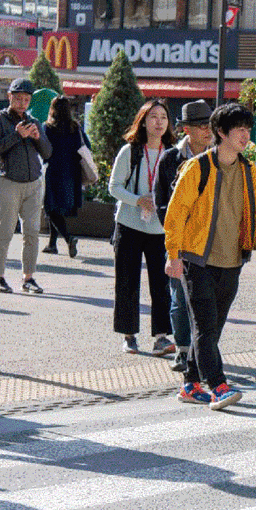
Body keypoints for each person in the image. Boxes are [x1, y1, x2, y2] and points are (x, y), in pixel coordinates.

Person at [164, 102, 256, 410]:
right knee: (205, 325)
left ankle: (190, 384)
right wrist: (173, 254)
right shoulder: (198, 167)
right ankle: (219, 386)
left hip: (232, 260)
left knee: (212, 328)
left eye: (248, 130)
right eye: (239, 130)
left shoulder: (248, 170)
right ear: (221, 133)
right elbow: (175, 213)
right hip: (196, 260)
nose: (245, 136)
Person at [109, 99, 176, 356]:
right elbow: (114, 187)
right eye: (153, 117)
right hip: (129, 224)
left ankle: (161, 336)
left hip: (160, 228)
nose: (159, 122)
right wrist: (139, 200)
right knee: (127, 281)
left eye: (163, 117)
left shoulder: (171, 152)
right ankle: (129, 335)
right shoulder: (131, 151)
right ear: (143, 121)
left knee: (162, 282)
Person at [154, 99, 213, 373]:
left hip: (212, 241)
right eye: (201, 125)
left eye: (209, 125)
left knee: (208, 298)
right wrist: (176, 232)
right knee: (179, 296)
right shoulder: (170, 159)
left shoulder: (220, 158)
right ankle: (182, 350)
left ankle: (205, 350)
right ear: (186, 129)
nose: (207, 130)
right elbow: (160, 202)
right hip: (180, 240)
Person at [0, 78, 52, 294]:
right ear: (9, 97)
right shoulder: (0, 119)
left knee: (32, 232)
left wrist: (36, 137)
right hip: (8, 182)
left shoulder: (34, 121)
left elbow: (47, 152)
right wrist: (17, 135)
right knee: (4, 232)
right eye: (17, 98)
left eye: (26, 99)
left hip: (34, 182)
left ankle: (28, 278)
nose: (22, 103)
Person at [42, 96, 88, 258]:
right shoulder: (75, 127)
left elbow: (42, 148)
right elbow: (86, 146)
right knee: (57, 209)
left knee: (51, 208)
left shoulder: (47, 128)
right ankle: (52, 244)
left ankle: (69, 239)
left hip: (53, 173)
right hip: (71, 173)